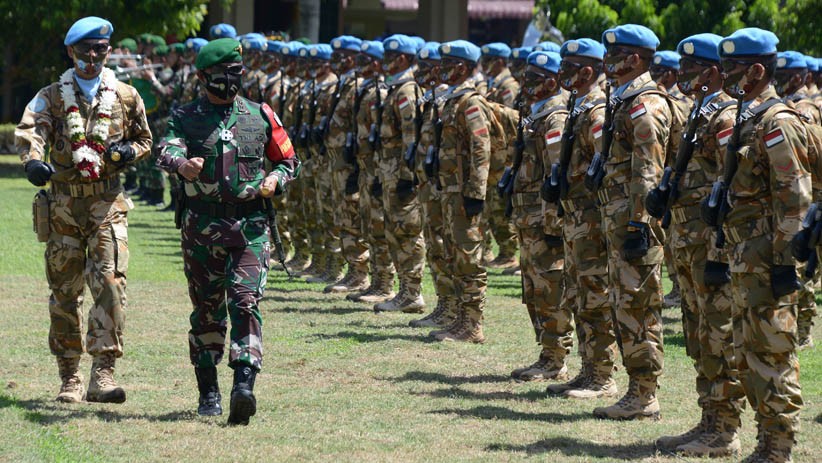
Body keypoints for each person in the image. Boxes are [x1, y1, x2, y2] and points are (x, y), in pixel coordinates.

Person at [157, 38, 300, 425]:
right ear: (204, 77)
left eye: (236, 73)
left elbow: (289, 160)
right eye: (223, 74)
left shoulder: (260, 114)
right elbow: (166, 149)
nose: (231, 80)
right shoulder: (185, 116)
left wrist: (275, 178)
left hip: (250, 228)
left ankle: (243, 386)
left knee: (244, 301)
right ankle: (208, 391)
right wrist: (182, 164)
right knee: (207, 310)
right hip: (202, 231)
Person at [15, 16, 152, 403]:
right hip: (62, 206)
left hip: (107, 204)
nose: (92, 58)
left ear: (108, 51)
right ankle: (69, 376)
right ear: (70, 51)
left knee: (110, 285)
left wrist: (129, 151)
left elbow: (144, 139)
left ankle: (102, 374)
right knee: (64, 291)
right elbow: (32, 130)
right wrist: (33, 161)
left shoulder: (125, 95)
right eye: (84, 51)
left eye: (100, 50)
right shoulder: (52, 96)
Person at [713, 27, 809, 461]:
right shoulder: (748, 117)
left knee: (772, 355)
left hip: (771, 262)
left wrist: (786, 263)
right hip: (747, 258)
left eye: (732, 67)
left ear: (756, 70)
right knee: (749, 354)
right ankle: (765, 443)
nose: (724, 75)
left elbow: (795, 198)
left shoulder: (777, 123)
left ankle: (779, 448)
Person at [647, 33, 745, 457]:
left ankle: (724, 430)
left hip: (710, 249)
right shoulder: (699, 112)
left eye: (691, 68)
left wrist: (720, 254)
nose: (682, 74)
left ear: (713, 72)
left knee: (718, 338)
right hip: (688, 246)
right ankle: (708, 419)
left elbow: (732, 188)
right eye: (682, 67)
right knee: (699, 337)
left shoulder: (725, 117)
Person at [590, 24, 672, 421]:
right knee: (624, 305)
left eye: (615, 56)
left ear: (635, 60)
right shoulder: (623, 98)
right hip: (619, 219)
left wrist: (639, 225)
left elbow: (648, 170)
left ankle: (644, 394)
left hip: (635, 225)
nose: (607, 62)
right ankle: (636, 390)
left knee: (638, 305)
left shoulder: (645, 104)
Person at [544, 38, 619, 399]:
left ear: (587, 72)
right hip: (576, 218)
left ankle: (602, 376)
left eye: (569, 68)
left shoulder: (597, 112)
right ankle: (588, 370)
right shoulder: (579, 106)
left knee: (595, 297)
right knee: (578, 295)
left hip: (592, 219)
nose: (562, 74)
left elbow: (606, 167)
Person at [507, 50, 572, 380]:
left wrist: (552, 226)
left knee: (550, 288)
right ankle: (547, 354)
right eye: (525, 76)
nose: (526, 83)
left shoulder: (555, 119)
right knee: (534, 289)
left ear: (552, 82)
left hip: (543, 222)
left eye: (534, 78)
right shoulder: (535, 115)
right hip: (528, 218)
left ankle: (556, 357)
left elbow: (555, 178)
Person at [428, 40, 492, 342]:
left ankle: (473, 324)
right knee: (454, 255)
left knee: (469, 258)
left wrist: (476, 193)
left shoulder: (471, 103)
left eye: (448, 64)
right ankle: (460, 319)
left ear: (464, 68)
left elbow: (481, 149)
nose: (441, 69)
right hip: (450, 190)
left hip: (465, 193)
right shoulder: (452, 100)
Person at [372, 34, 427, 314]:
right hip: (389, 171)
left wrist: (407, 175)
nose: (385, 62)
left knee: (407, 232)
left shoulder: (406, 91)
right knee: (394, 231)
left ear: (403, 59)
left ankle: (412, 292)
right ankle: (405, 291)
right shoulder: (396, 88)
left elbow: (410, 137)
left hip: (400, 173)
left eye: (390, 57)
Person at [323, 35, 371, 294]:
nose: (336, 61)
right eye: (334, 56)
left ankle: (359, 273)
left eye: (341, 57)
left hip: (350, 162)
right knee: (342, 216)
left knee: (352, 218)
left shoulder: (358, 86)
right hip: (337, 161)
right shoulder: (344, 84)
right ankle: (352, 270)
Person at [479, 42, 520, 269]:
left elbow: (510, 121)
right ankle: (502, 252)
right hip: (495, 154)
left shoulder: (508, 86)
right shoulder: (494, 84)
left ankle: (508, 252)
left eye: (489, 61)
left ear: (500, 62)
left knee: (500, 206)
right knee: (492, 206)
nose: (485, 65)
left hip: (505, 154)